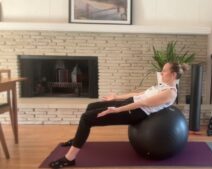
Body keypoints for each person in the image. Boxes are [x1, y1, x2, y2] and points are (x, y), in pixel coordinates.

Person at [49, 62, 188, 168]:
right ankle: (77, 140)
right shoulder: (161, 85)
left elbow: (143, 103)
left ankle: (69, 158)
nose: (161, 73)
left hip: (134, 112)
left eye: (164, 71)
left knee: (86, 119)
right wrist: (116, 97)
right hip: (130, 103)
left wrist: (117, 109)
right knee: (91, 106)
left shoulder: (169, 93)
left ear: (173, 75)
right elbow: (138, 95)